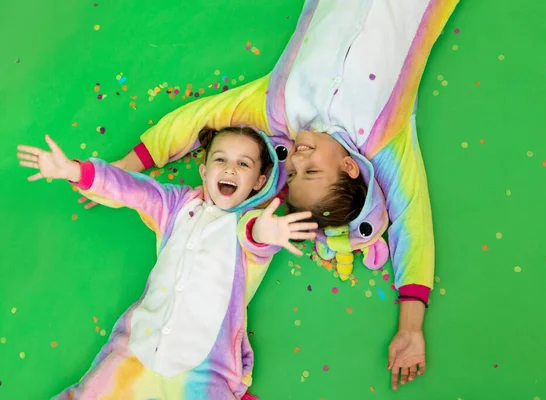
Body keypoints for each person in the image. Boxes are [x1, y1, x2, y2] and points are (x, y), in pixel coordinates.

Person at [80, 0, 459, 390]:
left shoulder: (278, 107)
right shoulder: (385, 138)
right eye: (310, 170)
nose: (297, 156)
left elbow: (201, 118)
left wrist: (129, 165)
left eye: (293, 172)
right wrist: (411, 327)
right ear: (348, 167)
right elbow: (413, 221)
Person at [17, 128, 317, 399]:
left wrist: (270, 232)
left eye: (243, 164)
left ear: (258, 182)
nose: (229, 169)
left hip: (204, 366)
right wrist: (74, 170)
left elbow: (255, 237)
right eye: (220, 160)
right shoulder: (176, 204)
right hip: (137, 349)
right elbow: (133, 190)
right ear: (203, 171)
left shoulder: (247, 222)